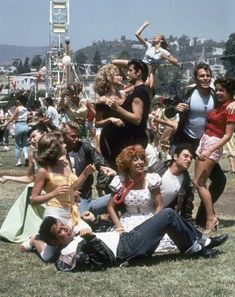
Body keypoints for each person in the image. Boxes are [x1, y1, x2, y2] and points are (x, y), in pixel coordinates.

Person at [164, 62, 235, 227]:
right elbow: (167, 111)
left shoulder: (214, 95)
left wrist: (233, 102)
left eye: (208, 75)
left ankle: (203, 216)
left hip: (205, 142)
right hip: (185, 141)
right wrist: (175, 108)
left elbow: (227, 99)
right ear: (196, 77)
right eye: (202, 75)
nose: (205, 78)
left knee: (219, 180)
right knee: (177, 179)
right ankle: (173, 217)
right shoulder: (187, 93)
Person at [37, 211, 229, 271]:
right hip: (126, 249)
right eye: (60, 231)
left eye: (63, 225)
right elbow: (103, 260)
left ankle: (199, 244)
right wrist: (91, 239)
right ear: (54, 242)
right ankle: (202, 243)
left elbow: (41, 246)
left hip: (126, 238)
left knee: (168, 217)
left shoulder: (73, 238)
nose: (66, 229)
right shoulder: (68, 252)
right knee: (167, 215)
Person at [193, 77, 235, 233]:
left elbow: (227, 136)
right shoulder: (221, 105)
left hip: (213, 143)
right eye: (216, 89)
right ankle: (210, 216)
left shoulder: (231, 108)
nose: (217, 92)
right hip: (205, 140)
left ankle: (211, 217)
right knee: (197, 181)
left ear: (229, 92)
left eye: (221, 90)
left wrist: (210, 150)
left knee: (200, 182)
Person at [0, 126, 48, 242]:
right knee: (30, 187)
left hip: (52, 192)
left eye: (34, 136)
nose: (32, 140)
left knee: (31, 189)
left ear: (45, 134)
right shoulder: (33, 156)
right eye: (30, 138)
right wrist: (7, 177)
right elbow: (29, 178)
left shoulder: (56, 153)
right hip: (38, 192)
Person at [104, 59, 151, 168]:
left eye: (130, 70)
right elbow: (115, 61)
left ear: (138, 72)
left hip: (134, 141)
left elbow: (137, 119)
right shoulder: (138, 90)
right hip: (132, 140)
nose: (127, 73)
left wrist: (117, 108)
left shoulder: (139, 92)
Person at [107, 145, 163, 233]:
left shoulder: (151, 179)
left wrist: (154, 224)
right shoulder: (120, 181)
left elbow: (160, 205)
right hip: (128, 220)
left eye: (142, 159)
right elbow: (110, 207)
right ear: (127, 163)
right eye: (135, 159)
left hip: (149, 219)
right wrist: (118, 226)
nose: (140, 162)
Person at [60, 121, 112, 214]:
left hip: (83, 195)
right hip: (64, 195)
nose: (76, 139)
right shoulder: (57, 150)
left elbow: (101, 163)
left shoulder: (85, 147)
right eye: (72, 136)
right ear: (63, 136)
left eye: (77, 135)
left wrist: (100, 185)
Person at [113, 20, 180, 90]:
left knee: (148, 84)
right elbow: (137, 34)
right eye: (154, 36)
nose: (155, 36)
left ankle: (126, 90)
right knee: (115, 62)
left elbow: (176, 62)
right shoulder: (149, 45)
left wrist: (166, 57)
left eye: (157, 36)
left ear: (161, 40)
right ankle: (125, 77)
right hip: (140, 64)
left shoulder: (164, 51)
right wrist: (144, 25)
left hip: (148, 70)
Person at [149, 143, 194, 222]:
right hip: (142, 210)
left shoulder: (186, 182)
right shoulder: (158, 168)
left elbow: (187, 208)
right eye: (186, 156)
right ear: (175, 156)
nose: (189, 160)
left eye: (191, 158)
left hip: (161, 216)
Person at [94, 63, 128, 169]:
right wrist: (110, 119)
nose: (120, 77)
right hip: (109, 139)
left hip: (125, 136)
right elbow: (97, 123)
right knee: (114, 167)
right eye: (117, 75)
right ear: (108, 78)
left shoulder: (124, 95)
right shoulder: (102, 100)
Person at [3, 94, 29, 166]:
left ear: (20, 101)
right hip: (25, 125)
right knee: (24, 144)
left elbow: (12, 118)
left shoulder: (18, 108)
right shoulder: (26, 108)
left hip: (19, 125)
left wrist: (6, 124)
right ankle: (26, 157)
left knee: (17, 145)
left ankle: (18, 162)